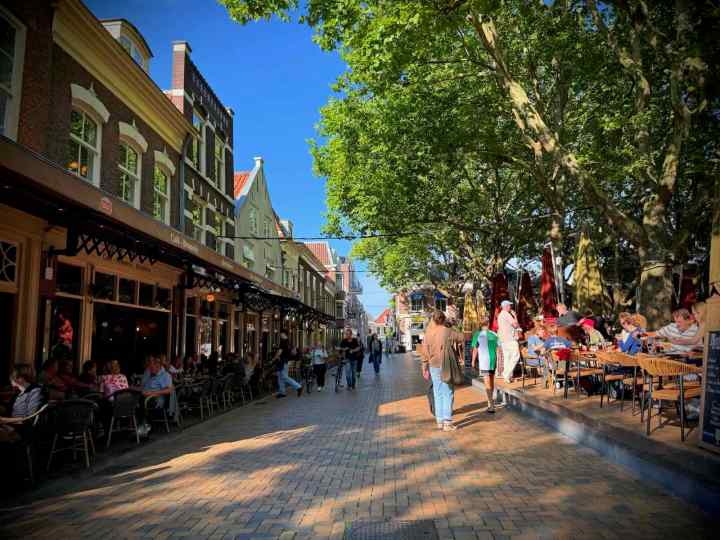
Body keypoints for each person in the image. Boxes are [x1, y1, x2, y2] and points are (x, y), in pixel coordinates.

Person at [420, 310, 464, 431]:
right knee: (448, 392)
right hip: (446, 365)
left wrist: (424, 368)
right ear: (443, 319)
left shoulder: (428, 334)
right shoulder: (447, 331)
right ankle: (447, 422)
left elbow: (424, 353)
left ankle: (439, 421)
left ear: (433, 320)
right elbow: (462, 337)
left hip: (433, 365)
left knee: (437, 393)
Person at [0, 365, 45, 443]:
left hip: (22, 430)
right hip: (11, 426)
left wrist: (5, 420)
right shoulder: (19, 391)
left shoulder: (35, 391)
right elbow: (10, 410)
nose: (10, 377)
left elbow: (29, 418)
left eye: (12, 375)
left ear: (21, 378)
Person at [137, 357, 174, 436]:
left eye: (151, 368)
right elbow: (143, 388)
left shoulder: (165, 375)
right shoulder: (151, 375)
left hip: (157, 398)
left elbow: (169, 390)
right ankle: (140, 427)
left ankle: (145, 428)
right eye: (150, 368)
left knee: (142, 402)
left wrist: (152, 393)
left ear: (158, 366)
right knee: (134, 402)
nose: (150, 370)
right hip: (145, 395)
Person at [473, 317, 499, 413]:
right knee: (491, 381)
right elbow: (498, 349)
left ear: (480, 324)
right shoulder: (494, 334)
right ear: (488, 324)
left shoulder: (477, 335)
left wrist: (472, 361)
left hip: (484, 362)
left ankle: (491, 404)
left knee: (486, 382)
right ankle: (490, 402)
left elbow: (475, 349)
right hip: (493, 361)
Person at [497, 300, 521, 384]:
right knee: (516, 355)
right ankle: (506, 373)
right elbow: (515, 324)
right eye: (510, 305)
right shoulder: (506, 314)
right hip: (510, 339)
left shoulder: (500, 315)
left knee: (507, 358)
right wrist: (515, 316)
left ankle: (507, 377)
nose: (510, 307)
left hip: (503, 340)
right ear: (506, 306)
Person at [273, 332, 302, 398]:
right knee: (280, 376)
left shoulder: (283, 342)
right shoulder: (289, 341)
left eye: (281, 334)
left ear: (283, 334)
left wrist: (273, 359)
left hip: (282, 361)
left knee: (284, 377)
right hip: (285, 361)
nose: (280, 335)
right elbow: (293, 351)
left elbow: (279, 352)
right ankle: (282, 392)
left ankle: (298, 386)